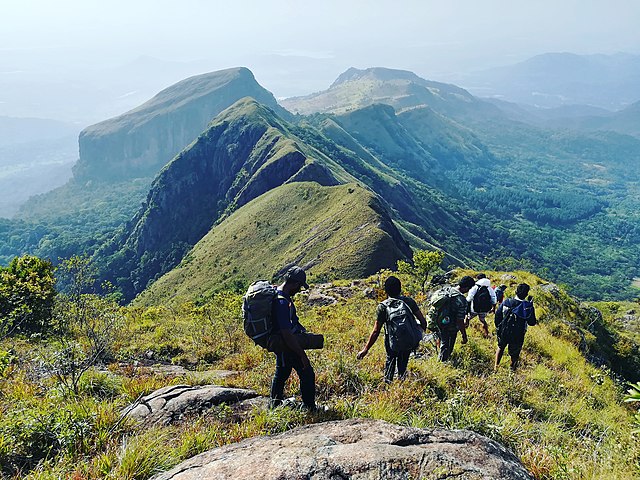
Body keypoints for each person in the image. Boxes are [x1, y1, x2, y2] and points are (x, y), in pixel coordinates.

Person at [357, 276, 427, 383]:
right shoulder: (409, 302)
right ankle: (401, 382)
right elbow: (423, 321)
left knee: (390, 360)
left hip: (392, 341)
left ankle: (388, 384)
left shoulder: (383, 307)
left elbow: (376, 331)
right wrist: (417, 335)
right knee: (403, 363)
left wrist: (366, 349)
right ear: (400, 288)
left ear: (386, 291)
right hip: (408, 339)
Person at [270, 265, 316, 410]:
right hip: (287, 345)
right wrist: (302, 355)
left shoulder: (279, 294)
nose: (299, 290)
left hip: (285, 345)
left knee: (282, 373)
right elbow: (286, 333)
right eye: (299, 286)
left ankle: (274, 405)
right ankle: (309, 408)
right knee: (307, 373)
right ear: (295, 284)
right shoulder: (282, 302)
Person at [494, 283, 537, 371]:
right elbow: (532, 322)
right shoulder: (527, 307)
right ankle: (512, 371)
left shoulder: (507, 302)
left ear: (516, 291)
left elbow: (497, 315)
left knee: (500, 347)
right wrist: (530, 306)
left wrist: (499, 327)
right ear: (526, 294)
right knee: (515, 354)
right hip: (518, 333)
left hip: (504, 330)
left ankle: (496, 367)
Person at [430, 275, 474, 361]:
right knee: (447, 346)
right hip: (450, 326)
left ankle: (440, 357)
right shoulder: (462, 300)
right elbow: (460, 320)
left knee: (442, 340)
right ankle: (442, 363)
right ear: (466, 288)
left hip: (437, 321)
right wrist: (464, 335)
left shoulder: (446, 290)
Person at [466, 273, 496, 337]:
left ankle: (465, 331)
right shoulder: (489, 288)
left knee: (468, 318)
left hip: (474, 308)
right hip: (484, 309)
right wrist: (493, 308)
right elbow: (494, 299)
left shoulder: (475, 287)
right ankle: (486, 333)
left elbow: (469, 298)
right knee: (482, 320)